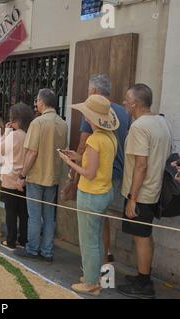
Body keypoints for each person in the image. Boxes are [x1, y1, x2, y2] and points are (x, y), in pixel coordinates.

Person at [59, 95, 119, 296]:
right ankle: (95, 278)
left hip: (91, 194)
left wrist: (69, 163)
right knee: (96, 238)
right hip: (104, 192)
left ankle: (91, 282)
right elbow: (96, 164)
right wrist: (76, 156)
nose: (84, 117)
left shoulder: (94, 139)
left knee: (89, 240)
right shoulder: (110, 137)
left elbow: (89, 173)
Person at [117, 84, 172, 299]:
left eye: (126, 100)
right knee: (145, 235)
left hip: (141, 193)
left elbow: (141, 165)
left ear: (135, 104)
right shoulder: (162, 121)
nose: (124, 103)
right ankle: (143, 277)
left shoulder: (140, 127)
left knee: (141, 237)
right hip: (153, 190)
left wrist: (133, 198)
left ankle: (144, 283)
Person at [75, 74, 131, 264]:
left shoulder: (93, 111)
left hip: (96, 176)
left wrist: (72, 177)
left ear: (93, 92)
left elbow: (83, 145)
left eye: (89, 91)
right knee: (101, 218)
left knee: (94, 227)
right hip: (116, 173)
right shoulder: (124, 112)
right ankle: (105, 264)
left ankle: (96, 269)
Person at [15, 89, 68, 263]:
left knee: (35, 215)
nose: (35, 103)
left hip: (37, 176)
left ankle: (32, 249)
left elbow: (32, 153)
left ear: (42, 102)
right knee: (49, 215)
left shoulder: (38, 123)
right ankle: (47, 251)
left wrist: (22, 175)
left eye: (37, 100)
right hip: (53, 176)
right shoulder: (62, 123)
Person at [0, 103, 34, 250]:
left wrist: (6, 132)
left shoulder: (13, 135)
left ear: (15, 119)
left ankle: (11, 240)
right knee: (23, 213)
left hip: (10, 178)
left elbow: (0, 150)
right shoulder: (29, 135)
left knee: (11, 212)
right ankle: (23, 239)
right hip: (24, 178)